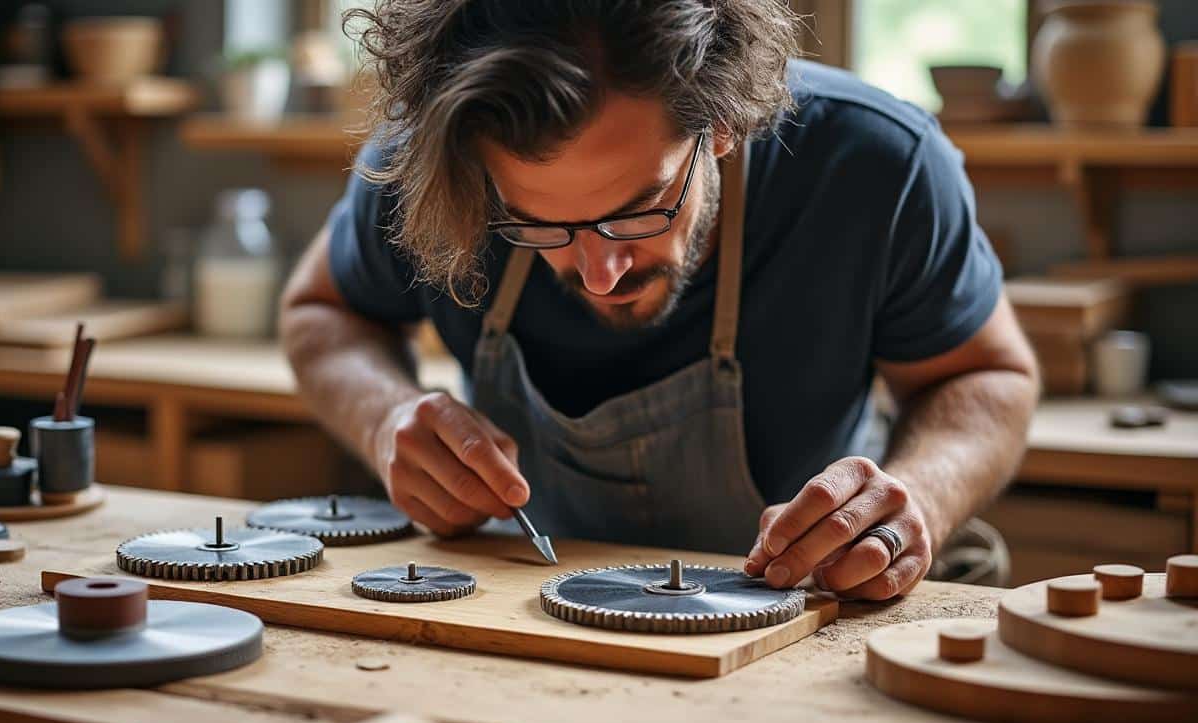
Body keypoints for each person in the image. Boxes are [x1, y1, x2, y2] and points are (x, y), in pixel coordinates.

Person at [279, 1, 1040, 601]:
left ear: (723, 125)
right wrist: (383, 417)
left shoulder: (876, 164)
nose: (600, 271)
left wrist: (922, 499)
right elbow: (322, 313)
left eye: (639, 211)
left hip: (809, 612)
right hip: (530, 601)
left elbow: (987, 378)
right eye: (538, 226)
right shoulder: (438, 165)